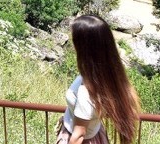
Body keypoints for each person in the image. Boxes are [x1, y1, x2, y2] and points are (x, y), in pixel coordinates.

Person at [59, 16, 141, 144]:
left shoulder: (86, 91)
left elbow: (79, 135)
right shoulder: (106, 77)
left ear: (83, 47)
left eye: (74, 39)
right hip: (95, 135)